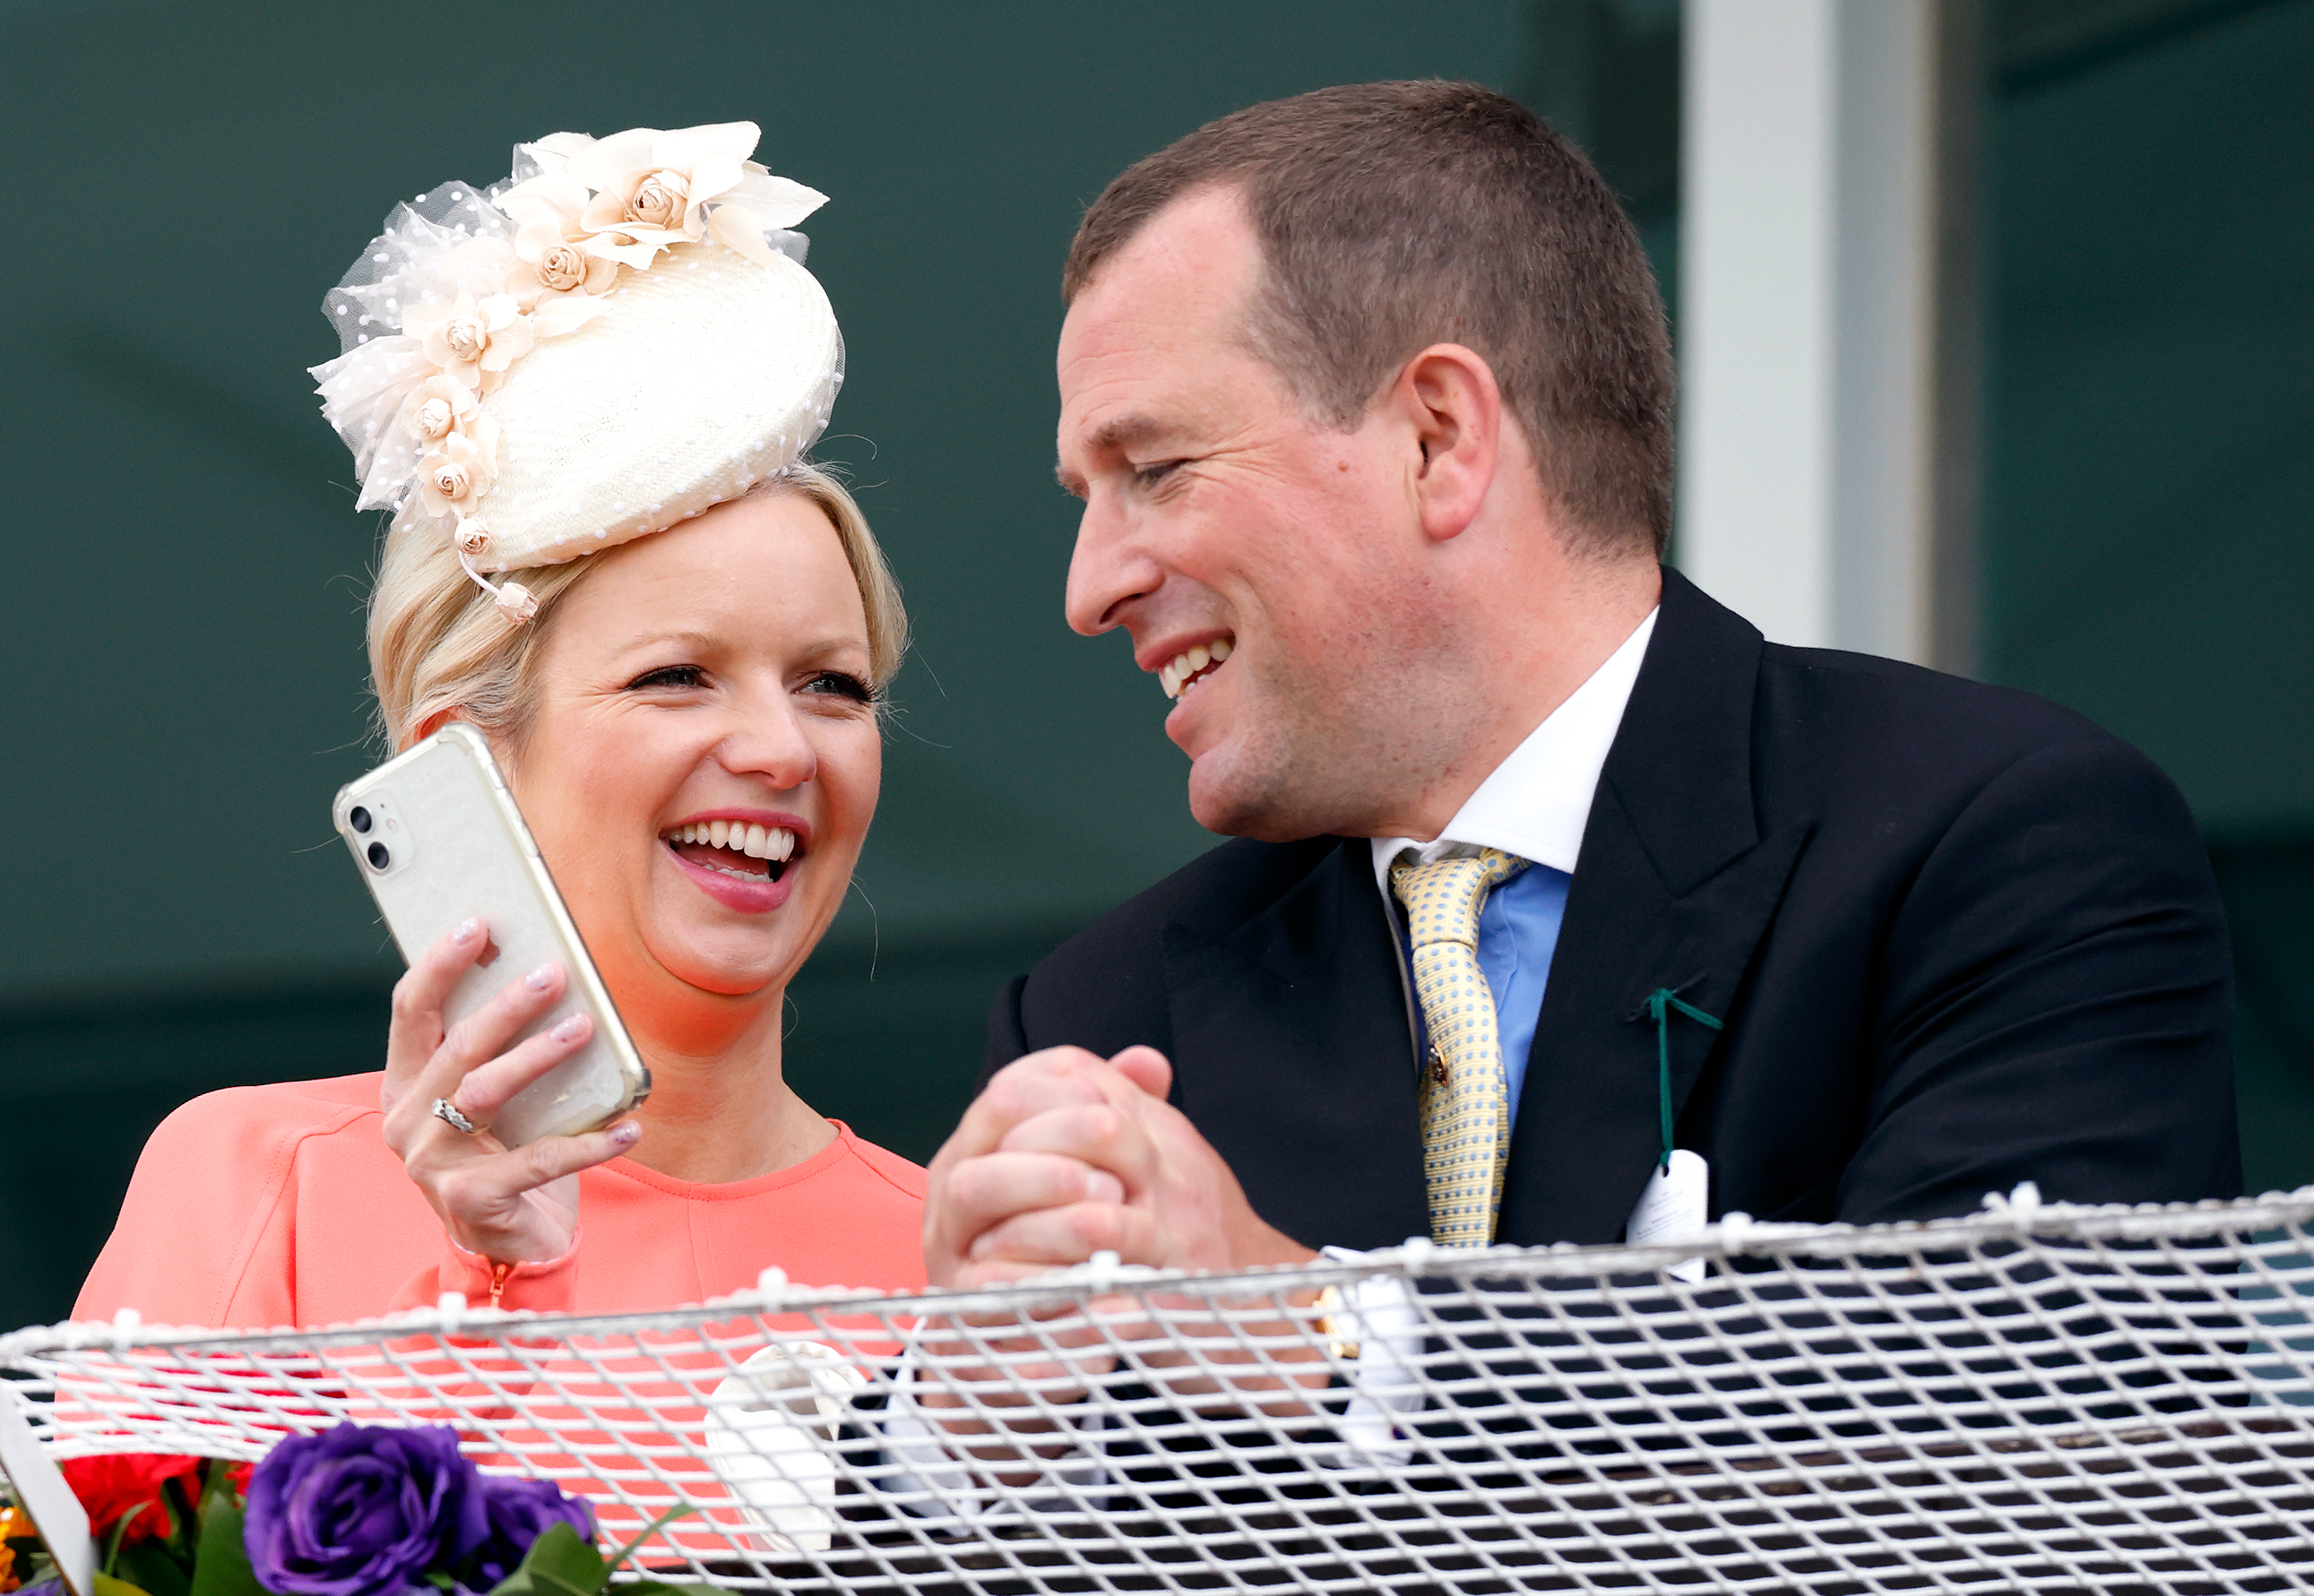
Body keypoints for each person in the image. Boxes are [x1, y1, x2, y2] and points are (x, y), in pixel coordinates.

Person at [922, 81, 2239, 1316]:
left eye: (1151, 466)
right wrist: (971, 1443)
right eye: (1085, 498)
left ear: (1438, 438)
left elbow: (2015, 1444)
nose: (1088, 589)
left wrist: (1310, 1337)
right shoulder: (1103, 1021)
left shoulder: (2000, 852)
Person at [77, 122, 928, 1330]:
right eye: (677, 675)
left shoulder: (967, 1278)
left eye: (830, 686)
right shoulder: (263, 1181)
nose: (782, 751)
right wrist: (497, 1281)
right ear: (459, 763)